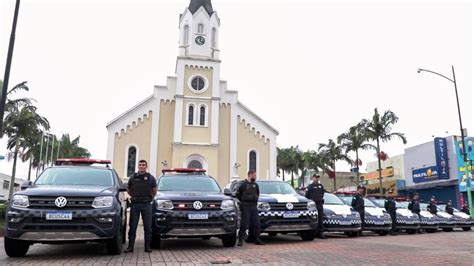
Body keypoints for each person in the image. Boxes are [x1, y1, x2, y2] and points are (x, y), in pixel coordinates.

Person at [124, 160, 157, 253]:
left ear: (146, 166)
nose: (141, 166)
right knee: (133, 227)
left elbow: (154, 190)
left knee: (148, 227)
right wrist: (134, 196)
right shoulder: (133, 177)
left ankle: (147, 247)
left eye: (143, 165)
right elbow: (128, 189)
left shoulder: (151, 178)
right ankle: (130, 247)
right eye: (140, 165)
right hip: (135, 204)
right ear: (138, 166)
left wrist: (149, 198)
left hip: (146, 205)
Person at [236, 170, 264, 246]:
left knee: (256, 223)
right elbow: (238, 194)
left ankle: (257, 238)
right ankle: (240, 240)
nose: (255, 177)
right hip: (246, 206)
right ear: (250, 175)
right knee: (244, 224)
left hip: (253, 206)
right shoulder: (243, 185)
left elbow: (257, 194)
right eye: (254, 175)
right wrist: (242, 202)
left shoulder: (256, 185)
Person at [305, 174, 327, 239]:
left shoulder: (321, 186)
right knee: (313, 218)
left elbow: (322, 194)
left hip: (320, 204)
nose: (317, 179)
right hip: (313, 205)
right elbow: (307, 196)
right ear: (313, 178)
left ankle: (320, 233)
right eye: (316, 177)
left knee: (320, 218)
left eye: (318, 177)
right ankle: (313, 233)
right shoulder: (310, 187)